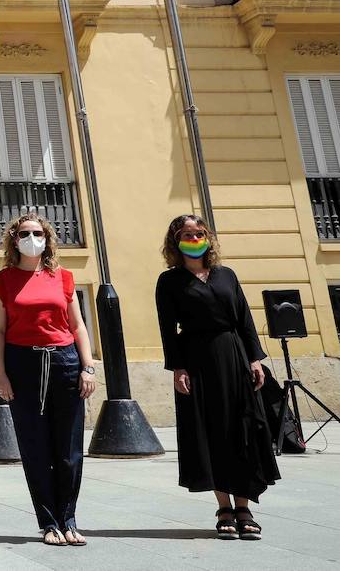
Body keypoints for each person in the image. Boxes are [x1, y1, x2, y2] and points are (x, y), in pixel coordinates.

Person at [155, 214, 280, 540]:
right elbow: (168, 331)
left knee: (243, 427)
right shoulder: (169, 281)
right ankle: (224, 507)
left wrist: (254, 359)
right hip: (197, 360)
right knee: (210, 431)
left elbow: (244, 318)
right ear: (176, 240)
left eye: (199, 233)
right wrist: (178, 368)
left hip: (234, 355)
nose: (194, 238)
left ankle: (244, 506)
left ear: (208, 237)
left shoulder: (226, 275)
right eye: (187, 234)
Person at [0, 213, 97, 547]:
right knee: (35, 448)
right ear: (14, 239)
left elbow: (78, 326)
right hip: (23, 364)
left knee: (68, 449)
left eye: (37, 232)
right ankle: (49, 523)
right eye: (24, 233)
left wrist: (87, 367)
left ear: (47, 238)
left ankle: (69, 520)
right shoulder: (2, 281)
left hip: (64, 361)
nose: (31, 238)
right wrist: (0, 375)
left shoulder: (63, 277)